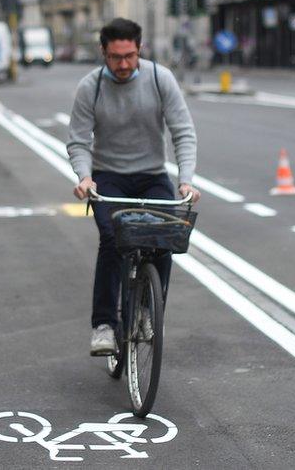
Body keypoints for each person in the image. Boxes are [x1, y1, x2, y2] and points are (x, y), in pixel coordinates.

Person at [68, 18, 201, 356]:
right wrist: (84, 177)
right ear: (103, 53)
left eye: (130, 56)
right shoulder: (90, 87)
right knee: (112, 240)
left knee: (164, 238)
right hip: (108, 175)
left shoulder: (160, 79)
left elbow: (182, 132)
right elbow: (79, 141)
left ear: (139, 49)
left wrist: (186, 179)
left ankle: (144, 311)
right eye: (115, 57)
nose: (124, 64)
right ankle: (103, 325)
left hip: (151, 175)